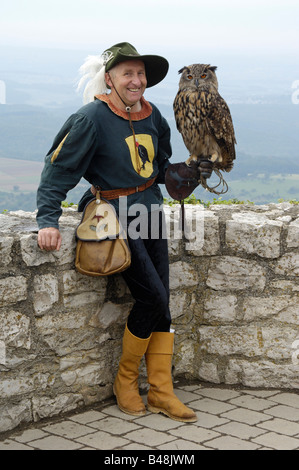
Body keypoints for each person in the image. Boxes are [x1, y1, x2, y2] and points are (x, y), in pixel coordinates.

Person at [36, 42, 197, 423]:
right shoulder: (90, 118)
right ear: (109, 78)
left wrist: (188, 171)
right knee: (152, 298)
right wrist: (47, 220)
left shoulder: (153, 115)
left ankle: (160, 391)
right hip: (114, 216)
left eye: (140, 73)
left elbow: (157, 166)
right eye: (128, 73)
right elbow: (57, 170)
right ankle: (125, 382)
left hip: (151, 211)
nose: (136, 80)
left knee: (164, 304)